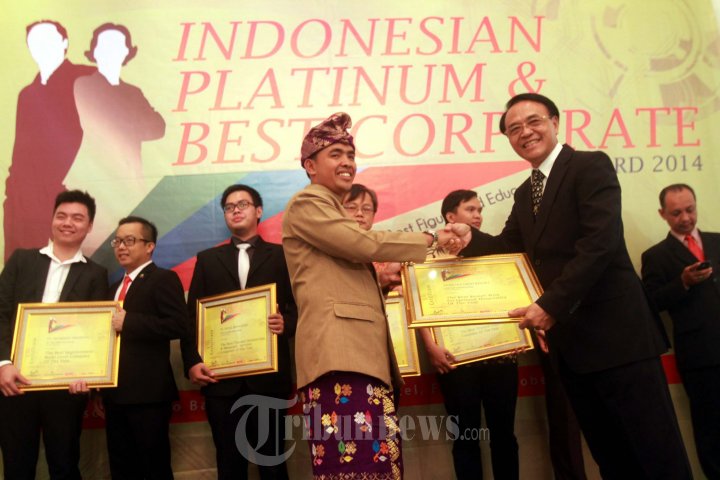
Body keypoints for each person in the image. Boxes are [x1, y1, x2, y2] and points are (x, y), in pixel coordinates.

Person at [461, 93, 692, 479]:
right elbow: (508, 248)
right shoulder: (525, 192)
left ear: (555, 122)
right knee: (612, 459)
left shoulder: (589, 166)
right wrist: (468, 238)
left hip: (619, 341)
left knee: (656, 456)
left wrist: (549, 305)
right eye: (514, 129)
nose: (525, 132)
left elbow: (599, 244)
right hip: (572, 350)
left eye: (533, 121)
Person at [282, 112, 470, 479]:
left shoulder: (330, 212)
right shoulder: (308, 203)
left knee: (377, 466)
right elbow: (361, 243)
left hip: (360, 357)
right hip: (340, 357)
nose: (347, 162)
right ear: (310, 165)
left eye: (350, 155)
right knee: (355, 468)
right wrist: (432, 238)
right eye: (335, 154)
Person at [181, 184, 296, 480]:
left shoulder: (283, 256)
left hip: (269, 380)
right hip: (221, 381)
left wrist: (287, 323)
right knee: (229, 464)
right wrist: (192, 362)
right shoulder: (208, 260)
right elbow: (191, 317)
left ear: (258, 211)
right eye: (229, 207)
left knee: (272, 462)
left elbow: (300, 307)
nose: (235, 210)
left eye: (242, 204)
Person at [0, 190, 109, 479]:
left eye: (77, 218)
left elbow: (95, 333)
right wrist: (3, 363)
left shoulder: (96, 274)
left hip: (65, 388)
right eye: (61, 216)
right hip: (14, 382)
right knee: (16, 465)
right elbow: (1, 313)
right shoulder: (22, 260)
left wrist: (88, 376)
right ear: (52, 220)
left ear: (89, 226)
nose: (68, 223)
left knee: (64, 464)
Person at [416, 189, 520, 480]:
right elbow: (418, 304)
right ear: (450, 216)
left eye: (480, 210)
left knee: (504, 434)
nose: (478, 215)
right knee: (465, 437)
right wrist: (430, 347)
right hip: (454, 360)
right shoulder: (427, 256)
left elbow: (511, 295)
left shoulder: (495, 249)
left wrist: (517, 337)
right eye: (470, 209)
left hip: (500, 356)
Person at [64, 23, 165, 254]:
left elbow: (158, 127)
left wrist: (126, 122)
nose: (111, 51)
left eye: (118, 45)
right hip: (96, 184)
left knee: (133, 248)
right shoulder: (85, 85)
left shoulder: (133, 92)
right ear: (94, 52)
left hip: (131, 181)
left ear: (126, 52)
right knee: (95, 250)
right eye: (105, 45)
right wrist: (133, 121)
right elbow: (99, 123)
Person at [100, 216, 188, 479]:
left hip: (148, 395)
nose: (121, 247)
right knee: (121, 467)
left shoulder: (163, 278)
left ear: (150, 246)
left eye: (129, 240)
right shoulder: (113, 289)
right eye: (118, 241)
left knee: (153, 467)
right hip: (114, 393)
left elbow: (179, 325)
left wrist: (131, 322)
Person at [641, 184, 720, 479]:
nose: (685, 218)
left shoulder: (717, 241)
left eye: (690, 210)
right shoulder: (655, 256)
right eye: (676, 213)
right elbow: (652, 303)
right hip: (700, 357)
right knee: (710, 429)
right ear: (662, 214)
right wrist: (683, 282)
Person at [4, 20, 94, 260]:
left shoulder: (86, 77)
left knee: (77, 270)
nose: (41, 46)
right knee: (24, 271)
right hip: (27, 200)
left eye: (49, 39)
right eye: (34, 41)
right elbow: (20, 154)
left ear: (64, 42)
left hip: (74, 193)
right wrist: (13, 196)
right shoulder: (28, 94)